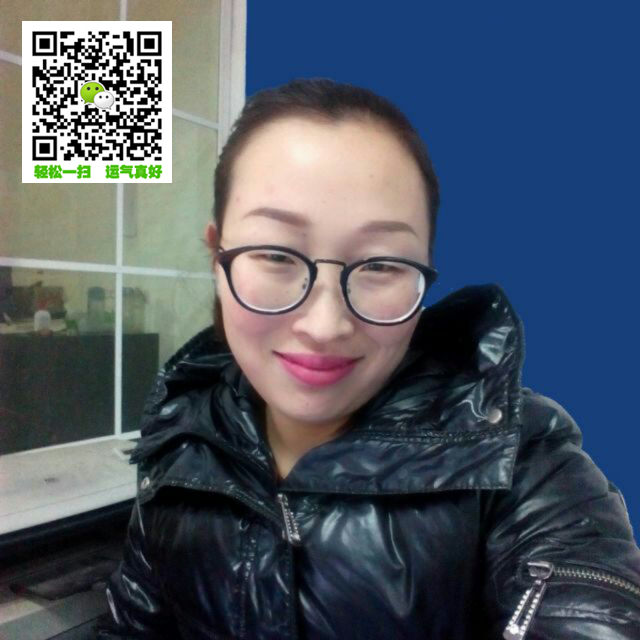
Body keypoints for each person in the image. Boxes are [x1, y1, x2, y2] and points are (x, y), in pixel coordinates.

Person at [99, 79, 640, 639]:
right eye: (277, 254)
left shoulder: (520, 460)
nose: (324, 325)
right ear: (217, 256)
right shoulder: (183, 443)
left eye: (381, 264)